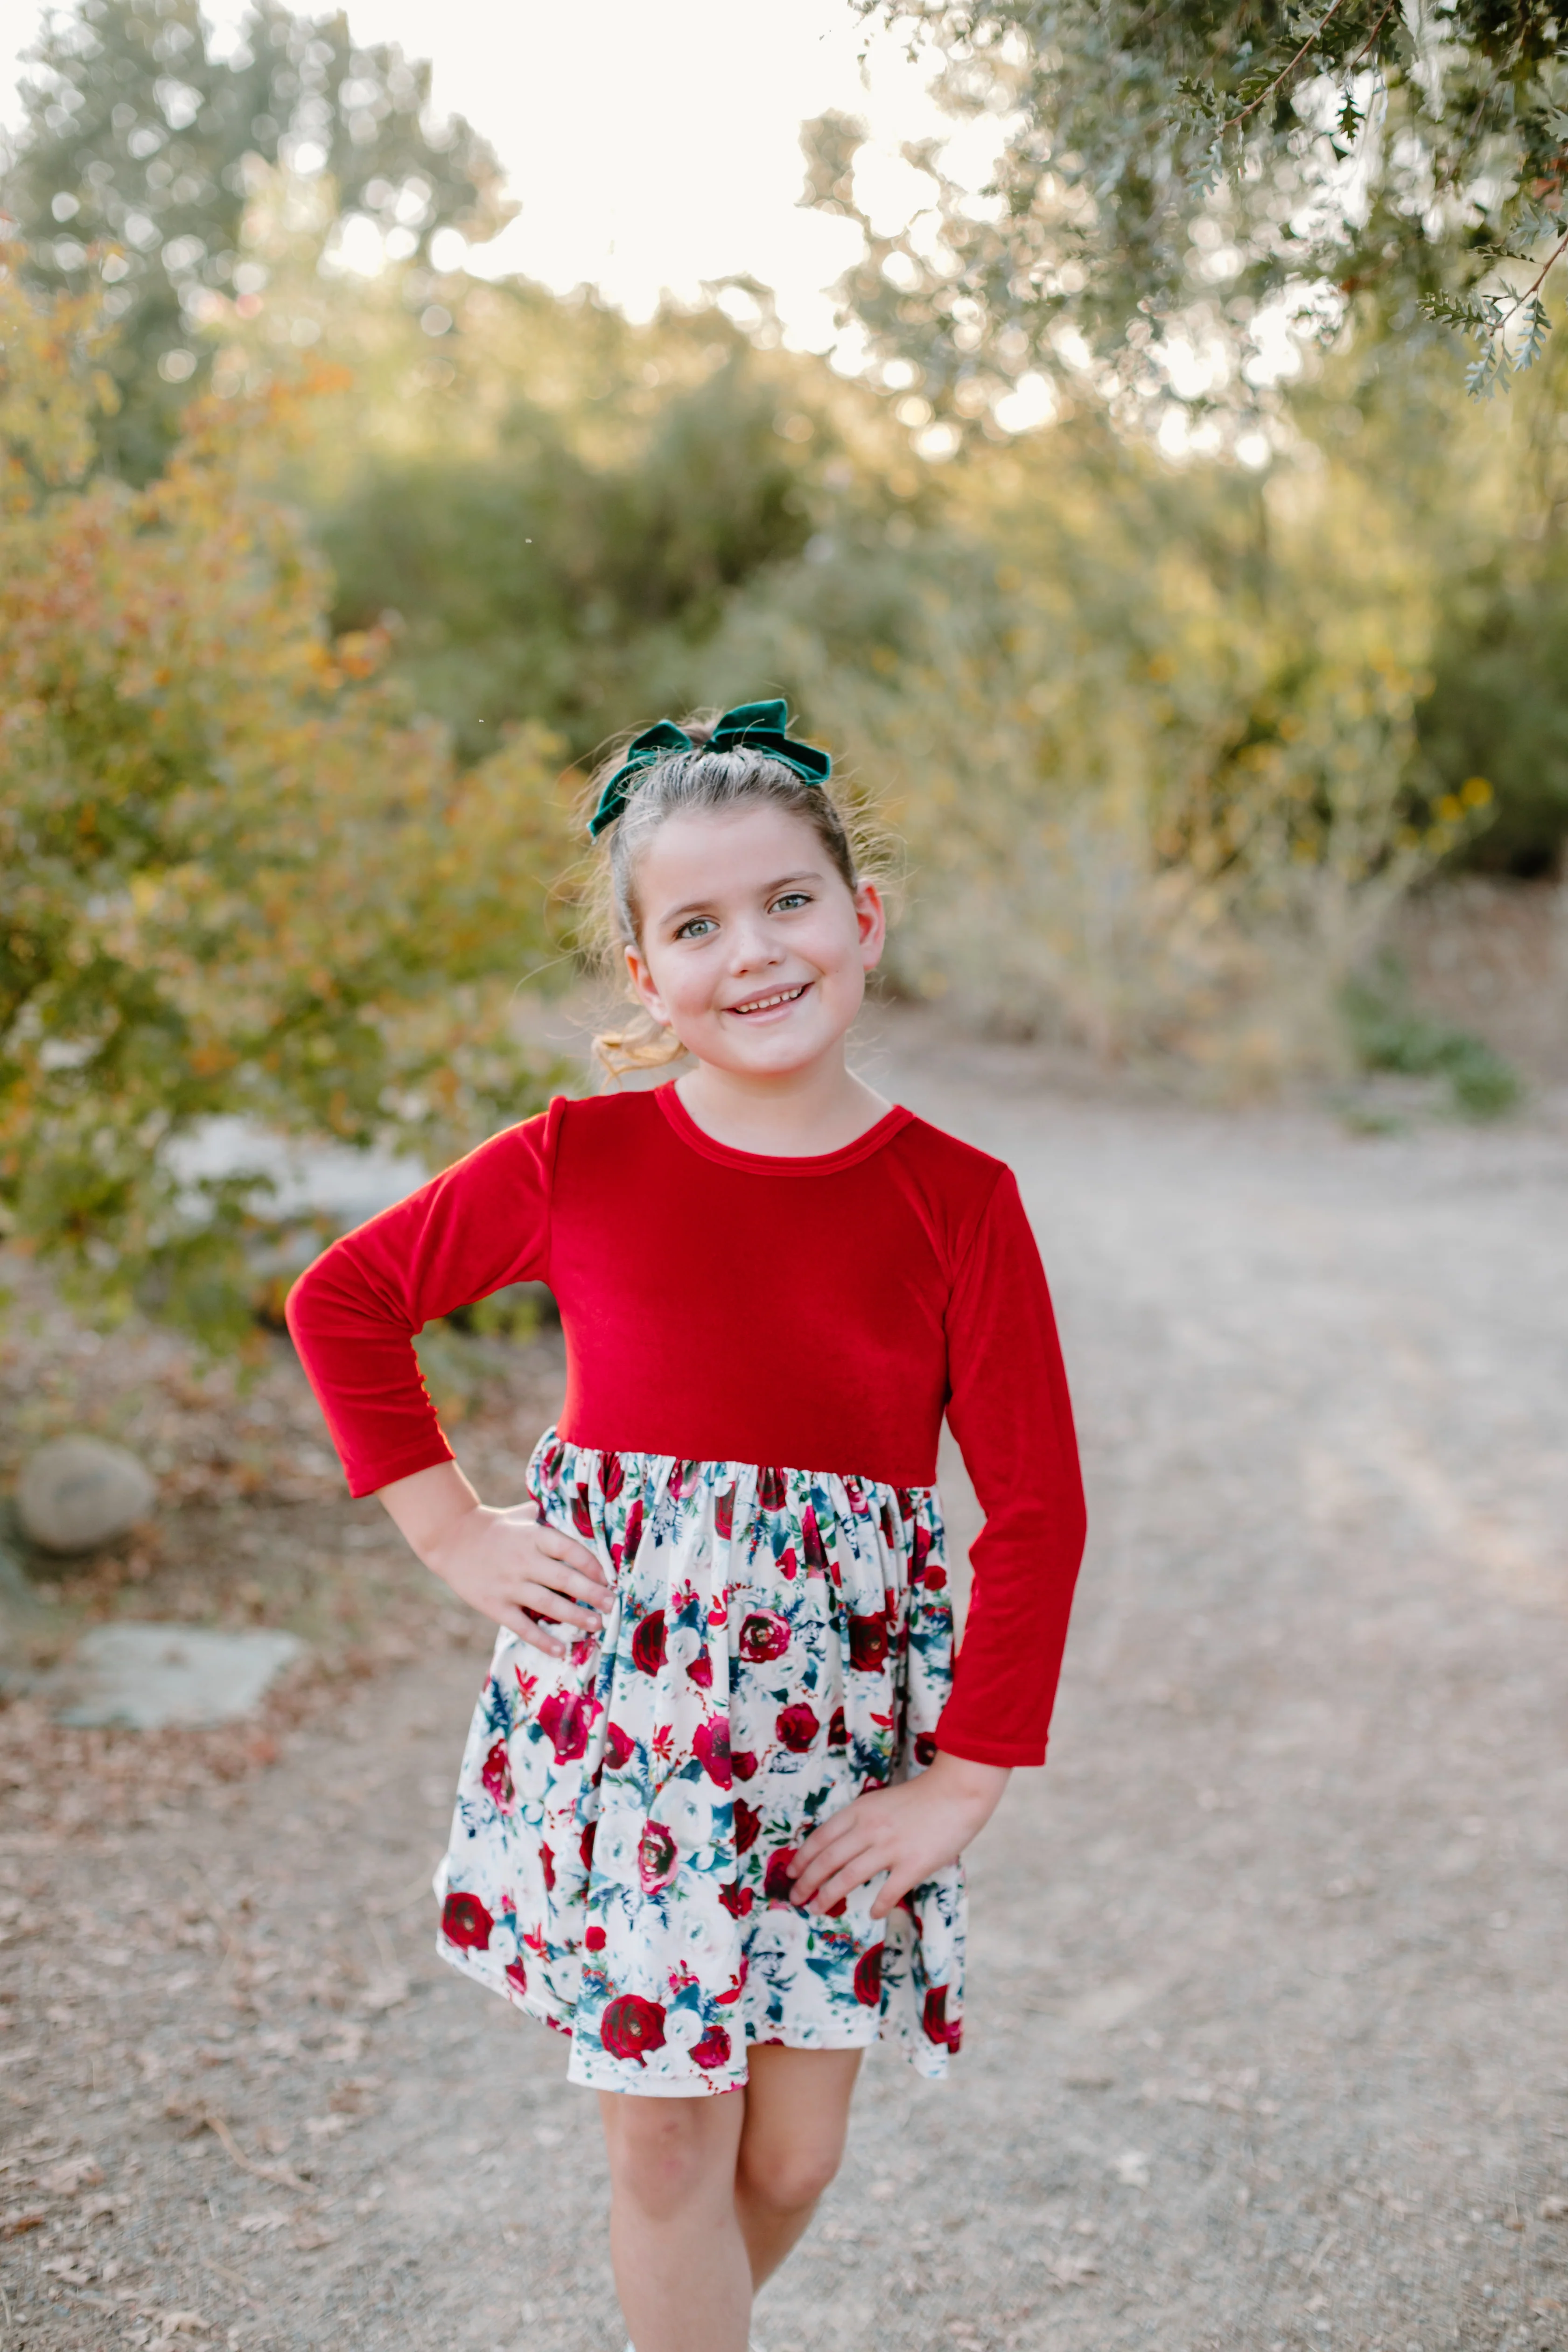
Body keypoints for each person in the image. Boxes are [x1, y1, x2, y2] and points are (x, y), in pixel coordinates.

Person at [286, 700, 1087, 2352]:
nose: (755, 952)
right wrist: (451, 1536)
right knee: (665, 2140)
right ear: (648, 977)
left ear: (864, 919)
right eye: (698, 925)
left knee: (788, 2159)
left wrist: (968, 1777)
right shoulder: (580, 1163)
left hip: (832, 1749)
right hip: (636, 1726)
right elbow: (346, 1299)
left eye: (789, 902)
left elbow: (1040, 1509)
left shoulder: (958, 1200)